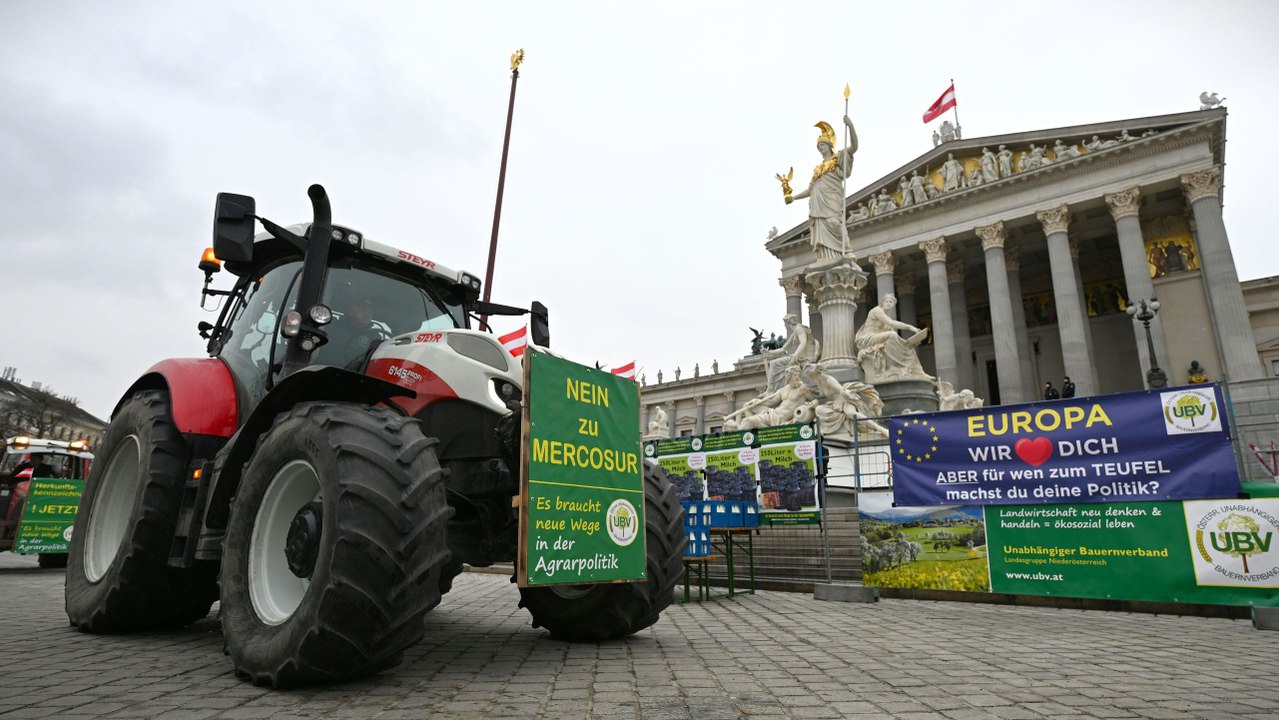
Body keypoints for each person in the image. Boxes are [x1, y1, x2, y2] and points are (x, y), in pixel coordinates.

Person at [787, 115, 858, 263]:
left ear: (830, 145)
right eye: (818, 146)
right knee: (822, 229)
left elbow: (854, 147)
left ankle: (848, 250)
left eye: (822, 145)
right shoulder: (818, 169)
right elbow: (810, 189)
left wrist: (850, 126)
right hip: (817, 203)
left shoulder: (838, 158)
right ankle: (825, 257)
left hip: (831, 198)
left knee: (834, 223)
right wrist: (794, 198)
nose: (820, 148)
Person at [854, 294, 930, 382]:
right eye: (887, 301)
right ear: (883, 302)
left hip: (878, 339)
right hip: (868, 338)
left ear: (894, 305)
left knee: (909, 347)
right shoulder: (876, 311)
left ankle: (919, 371)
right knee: (892, 334)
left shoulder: (886, 318)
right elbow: (891, 323)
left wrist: (907, 343)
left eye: (891, 302)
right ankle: (895, 367)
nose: (888, 303)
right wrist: (910, 327)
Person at [766, 314, 818, 391]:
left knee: (774, 363)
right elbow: (783, 349)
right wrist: (768, 352)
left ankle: (770, 390)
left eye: (785, 323)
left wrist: (795, 356)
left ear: (788, 323)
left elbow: (803, 342)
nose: (784, 325)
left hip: (803, 357)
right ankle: (773, 389)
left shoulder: (799, 329)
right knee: (774, 363)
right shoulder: (794, 332)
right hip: (798, 356)